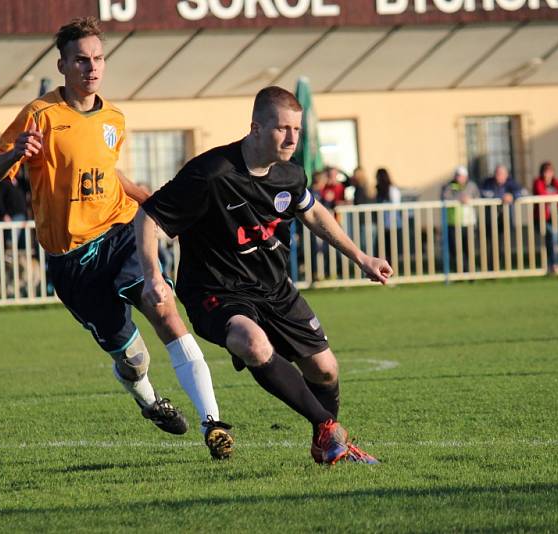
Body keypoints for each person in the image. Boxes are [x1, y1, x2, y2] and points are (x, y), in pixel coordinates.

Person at [0, 17, 233, 460]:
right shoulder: (40, 115)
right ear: (62, 65)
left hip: (120, 232)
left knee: (163, 308)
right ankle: (150, 401)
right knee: (133, 360)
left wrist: (150, 198)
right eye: (81, 60)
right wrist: (17, 152)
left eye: (98, 58)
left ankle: (213, 423)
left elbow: (107, 173)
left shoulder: (114, 117)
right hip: (73, 261)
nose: (91, 68)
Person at [136, 86, 393, 465]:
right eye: (282, 129)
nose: (291, 138)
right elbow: (150, 215)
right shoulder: (211, 173)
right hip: (217, 291)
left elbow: (314, 213)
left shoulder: (290, 175)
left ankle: (326, 443)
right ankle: (330, 430)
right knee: (252, 342)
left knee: (325, 371)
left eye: (297, 130)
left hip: (275, 289)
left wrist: (360, 257)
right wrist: (152, 274)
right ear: (255, 128)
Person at [481, 164, 522, 269]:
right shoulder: (488, 183)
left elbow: (520, 192)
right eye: (497, 173)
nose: (499, 176)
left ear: (506, 175)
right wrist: (501, 197)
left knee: (506, 244)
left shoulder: (512, 183)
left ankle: (507, 268)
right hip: (490, 220)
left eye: (502, 174)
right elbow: (484, 193)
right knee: (491, 245)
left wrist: (512, 196)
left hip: (506, 220)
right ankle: (491, 269)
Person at [532, 161, 558, 273]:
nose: (547, 174)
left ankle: (552, 265)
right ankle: (554, 264)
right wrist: (555, 196)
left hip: (554, 217)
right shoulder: (538, 182)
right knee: (553, 236)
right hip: (540, 218)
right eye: (545, 171)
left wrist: (554, 198)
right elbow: (541, 194)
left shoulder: (555, 182)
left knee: (553, 240)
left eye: (549, 171)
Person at [441, 166, 480, 272]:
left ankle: (470, 272)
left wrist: (470, 200)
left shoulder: (472, 186)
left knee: (469, 249)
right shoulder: (449, 186)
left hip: (469, 222)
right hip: (454, 223)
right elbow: (445, 198)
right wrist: (458, 199)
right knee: (455, 250)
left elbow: (478, 198)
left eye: (462, 176)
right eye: (458, 176)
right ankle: (461, 272)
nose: (460, 178)